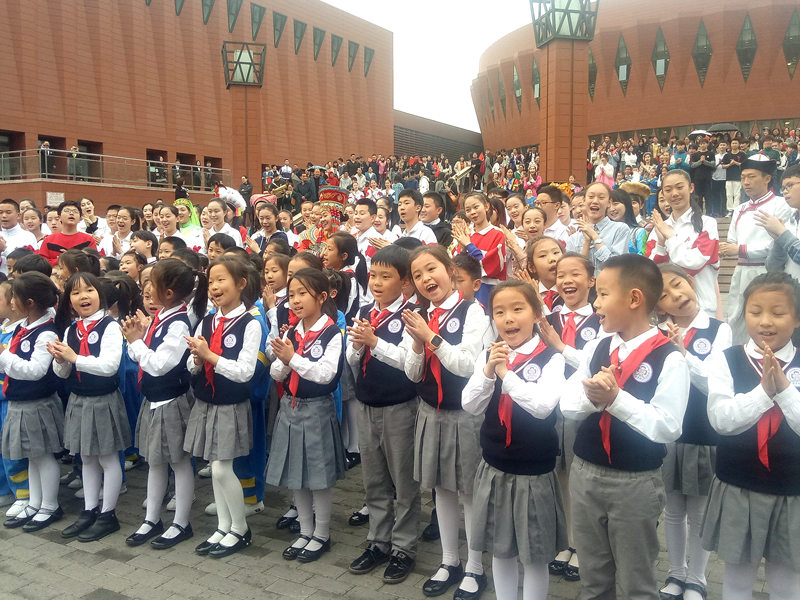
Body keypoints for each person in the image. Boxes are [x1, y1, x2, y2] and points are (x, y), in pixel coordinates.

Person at [561, 254, 690, 600]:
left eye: (603, 294)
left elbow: (668, 426)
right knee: (593, 576)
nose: (595, 303)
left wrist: (616, 400)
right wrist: (594, 399)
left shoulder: (669, 357)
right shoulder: (597, 346)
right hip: (585, 472)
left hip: (635, 482)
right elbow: (567, 404)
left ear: (634, 298)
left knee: (636, 581)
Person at [462, 280, 568, 600]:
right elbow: (470, 405)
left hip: (534, 472)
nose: (508, 318)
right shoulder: (490, 354)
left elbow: (542, 407)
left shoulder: (551, 358)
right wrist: (488, 372)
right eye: (499, 312)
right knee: (501, 548)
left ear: (536, 314)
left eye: (517, 309)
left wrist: (506, 374)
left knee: (534, 555)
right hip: (495, 466)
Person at [703, 271, 800, 600]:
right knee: (737, 579)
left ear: (797, 318)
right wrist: (763, 394)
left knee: (787, 583)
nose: (765, 321)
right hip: (739, 484)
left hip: (792, 489)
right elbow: (720, 419)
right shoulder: (728, 360)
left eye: (778, 312)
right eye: (755, 311)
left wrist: (785, 390)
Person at [401, 245, 490, 599]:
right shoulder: (420, 315)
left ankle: (475, 566)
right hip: (430, 412)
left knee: (468, 492)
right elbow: (412, 373)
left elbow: (468, 366)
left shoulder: (473, 311)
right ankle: (449, 560)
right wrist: (417, 345)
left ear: (450, 269)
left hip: (464, 415)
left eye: (431, 269)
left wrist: (430, 338)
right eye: (418, 275)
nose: (425, 279)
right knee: (441, 488)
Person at [653, 264, 731, 600]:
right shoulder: (656, 333)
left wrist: (684, 354)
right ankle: (676, 573)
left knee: (699, 511)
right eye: (664, 295)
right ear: (658, 307)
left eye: (677, 284)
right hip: (669, 434)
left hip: (702, 433)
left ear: (689, 280)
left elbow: (714, 383)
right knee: (673, 510)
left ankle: (697, 579)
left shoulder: (718, 330)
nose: (676, 295)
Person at [345, 245, 420, 584]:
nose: (376, 282)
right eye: (373, 275)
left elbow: (407, 362)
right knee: (374, 479)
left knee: (403, 481)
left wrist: (374, 342)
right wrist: (358, 345)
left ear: (404, 283)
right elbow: (352, 359)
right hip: (367, 404)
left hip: (399, 407)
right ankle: (378, 540)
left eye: (385, 276)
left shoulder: (411, 315)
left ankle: (404, 547)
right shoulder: (365, 311)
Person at [122, 259, 208, 549]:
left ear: (168, 292)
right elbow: (140, 356)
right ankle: (151, 519)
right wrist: (137, 339)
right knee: (155, 461)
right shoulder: (160, 317)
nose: (147, 288)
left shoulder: (179, 323)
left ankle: (181, 523)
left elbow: (159, 365)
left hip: (172, 401)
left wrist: (136, 342)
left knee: (179, 463)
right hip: (154, 400)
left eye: (152, 283)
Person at [267, 268, 346, 563]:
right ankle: (305, 530)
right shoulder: (291, 331)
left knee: (319, 476)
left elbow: (326, 374)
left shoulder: (331, 333)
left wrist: (293, 358)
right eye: (291, 295)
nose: (296, 300)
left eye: (303, 293)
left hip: (317, 408)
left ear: (322, 297)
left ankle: (322, 534)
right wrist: (283, 360)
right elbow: (276, 373)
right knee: (296, 474)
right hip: (290, 406)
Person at [185, 255, 260, 558]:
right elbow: (193, 365)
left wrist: (210, 356)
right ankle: (223, 526)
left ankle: (240, 529)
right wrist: (197, 359)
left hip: (230, 404)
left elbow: (245, 371)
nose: (214, 287)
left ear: (240, 284)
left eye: (221, 280)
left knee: (220, 467)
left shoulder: (250, 323)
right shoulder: (207, 320)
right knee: (216, 467)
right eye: (211, 282)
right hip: (206, 402)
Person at [49, 272, 130, 541]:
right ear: (69, 300)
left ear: (100, 294)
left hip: (103, 399)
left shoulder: (110, 326)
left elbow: (109, 367)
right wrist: (60, 360)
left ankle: (108, 514)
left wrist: (74, 357)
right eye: (75, 293)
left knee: (107, 457)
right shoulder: (71, 329)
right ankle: (89, 510)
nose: (83, 296)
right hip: (79, 399)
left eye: (89, 290)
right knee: (86, 457)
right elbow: (62, 373)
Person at [0, 272, 63, 531]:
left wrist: (4, 356)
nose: (10, 302)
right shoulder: (24, 327)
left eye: (13, 297)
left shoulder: (46, 333)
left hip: (37, 404)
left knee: (43, 456)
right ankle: (35, 503)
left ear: (29, 302)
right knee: (32, 457)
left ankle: (50, 505)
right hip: (21, 402)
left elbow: (36, 370)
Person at [720, 154, 793, 343]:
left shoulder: (781, 205)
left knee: (765, 320)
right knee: (736, 317)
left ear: (767, 178)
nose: (746, 182)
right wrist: (730, 249)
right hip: (740, 271)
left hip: (766, 272)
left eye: (751, 177)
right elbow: (731, 241)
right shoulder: (740, 208)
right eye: (743, 177)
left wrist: (741, 250)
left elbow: (779, 243)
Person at [647, 169, 720, 316]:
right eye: (668, 190)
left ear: (691, 188)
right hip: (670, 309)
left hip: (702, 307)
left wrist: (669, 236)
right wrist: (660, 244)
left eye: (679, 187)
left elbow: (695, 263)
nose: (674, 193)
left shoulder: (707, 224)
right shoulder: (658, 228)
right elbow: (651, 271)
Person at [453, 192, 507, 307]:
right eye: (468, 210)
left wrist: (469, 245)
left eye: (476, 207)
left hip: (489, 290)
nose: (472, 212)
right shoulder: (467, 235)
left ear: (486, 206)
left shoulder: (497, 233)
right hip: (468, 290)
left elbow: (493, 265)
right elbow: (458, 265)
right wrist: (463, 250)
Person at [565, 182, 630, 271]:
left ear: (609, 202)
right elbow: (574, 270)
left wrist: (594, 236)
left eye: (601, 197)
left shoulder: (620, 229)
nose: (595, 201)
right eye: (591, 197)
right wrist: (587, 242)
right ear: (584, 201)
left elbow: (615, 266)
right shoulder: (574, 238)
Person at [762, 163, 800, 281]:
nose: (785, 191)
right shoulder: (788, 223)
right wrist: (778, 240)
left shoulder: (783, 229)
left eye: (790, 185)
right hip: (791, 290)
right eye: (783, 188)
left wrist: (783, 234)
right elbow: (772, 268)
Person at [37, 201, 97, 266]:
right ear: (59, 217)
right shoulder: (48, 240)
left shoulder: (88, 240)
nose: (71, 213)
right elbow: (42, 264)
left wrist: (71, 258)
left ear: (80, 218)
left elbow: (94, 263)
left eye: (75, 211)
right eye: (67, 211)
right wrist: (60, 260)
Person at [0, 198, 37, 276]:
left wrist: (4, 249)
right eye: (1, 212)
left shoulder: (28, 236)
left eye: (8, 212)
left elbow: (29, 262)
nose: (4, 216)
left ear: (18, 215)